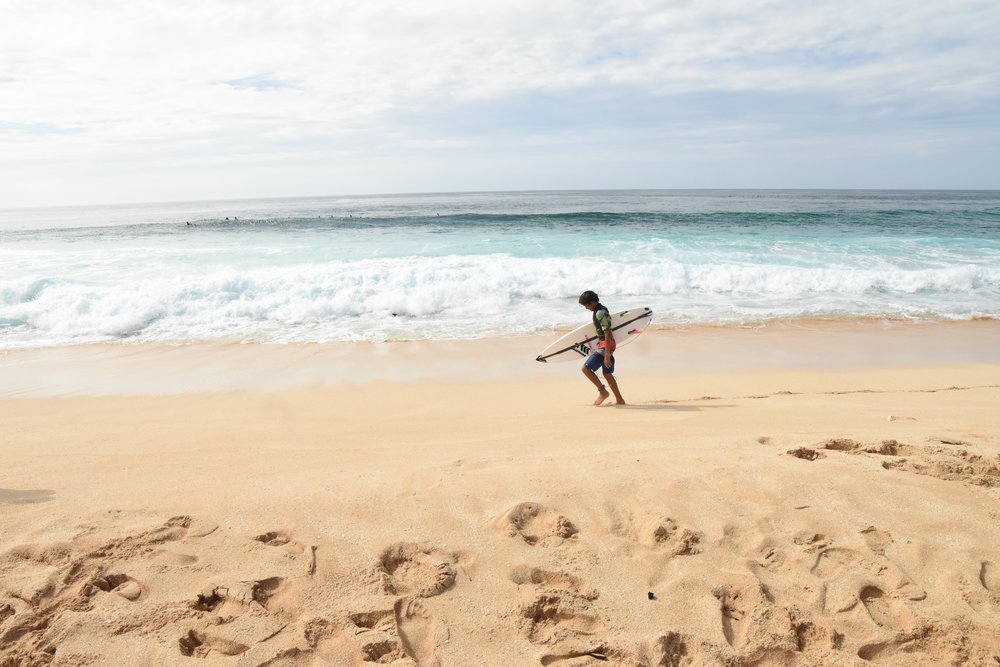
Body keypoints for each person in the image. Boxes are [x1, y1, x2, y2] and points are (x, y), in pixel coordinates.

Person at [578, 291, 625, 406]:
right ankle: (620, 400)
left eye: (586, 305)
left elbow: (608, 333)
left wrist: (607, 355)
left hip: (606, 346)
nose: (586, 308)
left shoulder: (600, 313)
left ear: (592, 302)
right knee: (607, 374)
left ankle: (603, 392)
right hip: (605, 345)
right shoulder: (599, 310)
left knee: (586, 369)